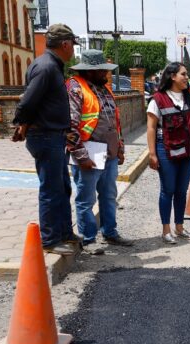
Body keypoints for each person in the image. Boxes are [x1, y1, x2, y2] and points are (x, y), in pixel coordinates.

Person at [11, 24, 79, 256]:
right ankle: (50, 240)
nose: (73, 51)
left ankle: (64, 233)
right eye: (72, 46)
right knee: (51, 189)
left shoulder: (50, 65)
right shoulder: (47, 67)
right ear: (65, 44)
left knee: (63, 187)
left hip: (53, 136)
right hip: (46, 136)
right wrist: (21, 124)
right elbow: (28, 101)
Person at [66, 49, 134, 253]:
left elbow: (115, 121)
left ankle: (110, 233)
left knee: (108, 195)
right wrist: (80, 156)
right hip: (89, 151)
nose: (106, 74)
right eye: (102, 70)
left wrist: (119, 148)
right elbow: (70, 126)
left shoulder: (104, 89)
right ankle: (88, 240)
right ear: (89, 71)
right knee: (86, 200)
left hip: (109, 152)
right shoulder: (76, 88)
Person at [146, 62, 190, 244]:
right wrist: (152, 154)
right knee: (168, 189)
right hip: (166, 149)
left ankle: (179, 227)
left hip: (188, 150)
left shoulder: (188, 98)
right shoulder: (158, 99)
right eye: (183, 74)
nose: (187, 77)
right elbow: (151, 127)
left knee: (181, 191)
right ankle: (166, 230)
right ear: (172, 76)